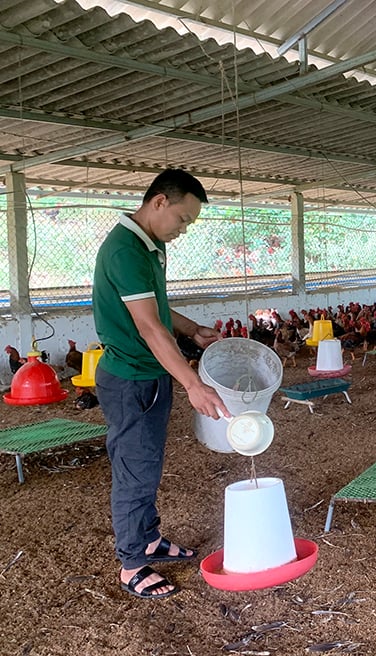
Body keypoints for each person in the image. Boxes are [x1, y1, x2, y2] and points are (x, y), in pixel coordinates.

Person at [93, 169, 231, 600]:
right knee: (135, 470)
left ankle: (148, 537)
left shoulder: (149, 246)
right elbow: (151, 329)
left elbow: (160, 310)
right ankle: (132, 562)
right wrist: (192, 383)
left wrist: (193, 331)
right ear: (158, 202)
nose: (184, 229)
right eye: (183, 219)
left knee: (147, 464)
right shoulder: (126, 252)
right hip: (131, 377)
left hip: (147, 374)